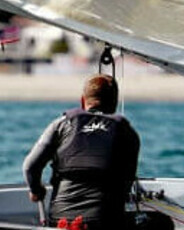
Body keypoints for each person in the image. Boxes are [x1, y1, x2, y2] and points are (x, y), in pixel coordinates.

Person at [23, 75, 141, 230]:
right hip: (104, 222)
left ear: (82, 100)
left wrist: (36, 190)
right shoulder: (127, 132)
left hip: (61, 221)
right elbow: (127, 182)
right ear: (114, 103)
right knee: (161, 222)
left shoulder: (61, 125)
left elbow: (29, 167)